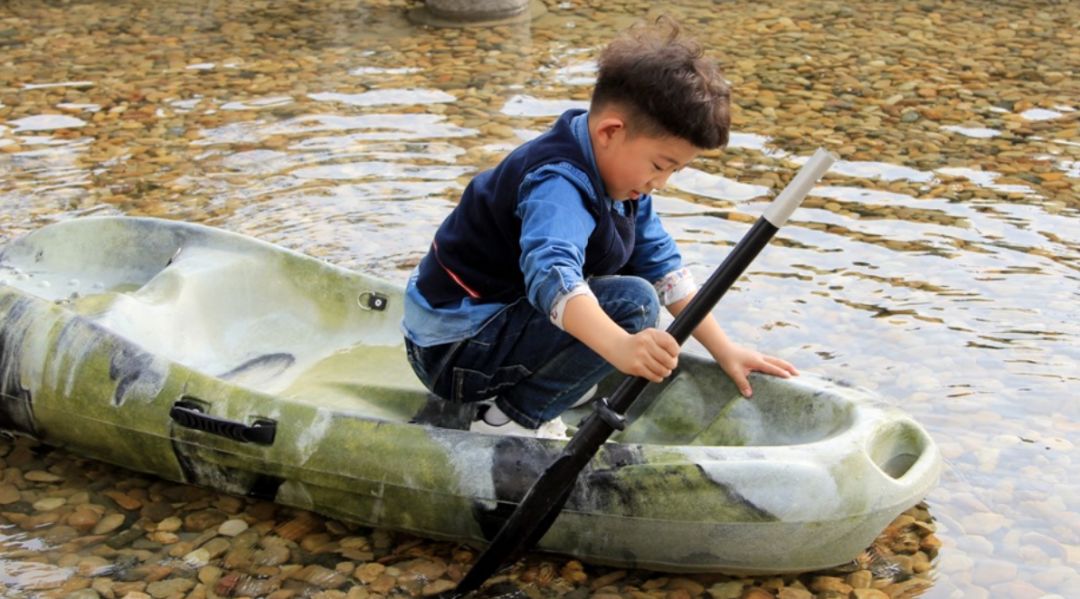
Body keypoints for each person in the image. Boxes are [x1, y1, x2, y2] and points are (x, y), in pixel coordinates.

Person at [402, 17, 797, 438]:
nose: (659, 183)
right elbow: (551, 273)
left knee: (634, 283)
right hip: (453, 353)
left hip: (479, 326)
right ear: (611, 131)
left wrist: (725, 350)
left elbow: (663, 266)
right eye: (660, 165)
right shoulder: (557, 183)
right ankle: (510, 421)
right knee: (634, 305)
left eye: (675, 171)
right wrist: (619, 345)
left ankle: (533, 380)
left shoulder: (618, 177)